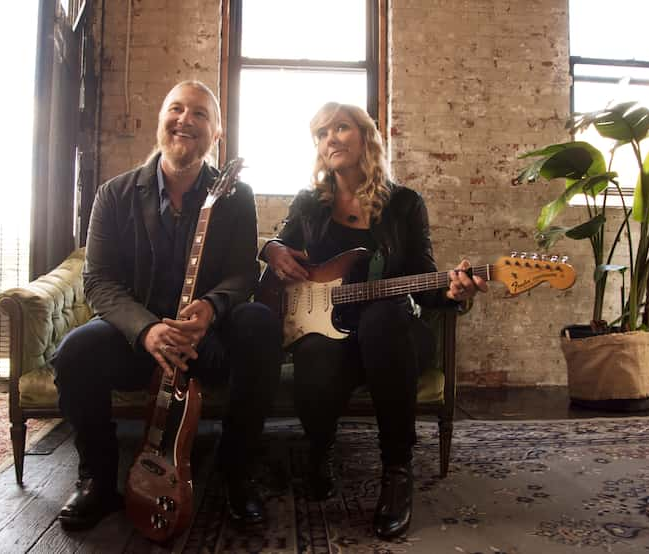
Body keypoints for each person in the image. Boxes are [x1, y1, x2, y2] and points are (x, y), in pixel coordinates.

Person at [51, 80, 283, 531]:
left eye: (199, 114)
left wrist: (213, 308)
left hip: (206, 342)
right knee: (75, 352)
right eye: (176, 109)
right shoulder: (113, 195)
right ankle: (97, 479)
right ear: (161, 122)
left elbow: (241, 272)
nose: (185, 120)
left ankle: (239, 474)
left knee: (259, 324)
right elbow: (99, 280)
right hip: (138, 341)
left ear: (216, 133)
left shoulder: (235, 196)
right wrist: (145, 329)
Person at [260, 102, 487, 539]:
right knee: (316, 351)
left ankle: (397, 472)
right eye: (322, 133)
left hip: (395, 336)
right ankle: (320, 448)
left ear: (366, 138)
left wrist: (452, 289)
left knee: (383, 317)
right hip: (332, 334)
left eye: (341, 128)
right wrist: (271, 248)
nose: (330, 139)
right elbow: (279, 247)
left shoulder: (404, 204)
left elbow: (424, 274)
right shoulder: (310, 203)